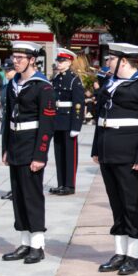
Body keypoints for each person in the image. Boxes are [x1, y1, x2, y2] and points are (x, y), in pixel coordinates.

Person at [94, 43, 138, 275]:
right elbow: (101, 117)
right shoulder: (110, 84)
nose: (107, 63)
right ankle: (119, 251)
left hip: (130, 155)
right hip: (108, 152)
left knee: (132, 205)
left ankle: (133, 255)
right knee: (117, 204)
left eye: (110, 59)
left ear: (123, 61)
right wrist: (96, 148)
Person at [0, 41, 55, 264]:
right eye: (15, 57)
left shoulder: (42, 87)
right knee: (19, 196)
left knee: (32, 196)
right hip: (15, 144)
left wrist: (40, 155)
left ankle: (38, 244)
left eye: (21, 58)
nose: (16, 61)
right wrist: (5, 148)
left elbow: (47, 123)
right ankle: (24, 242)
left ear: (33, 60)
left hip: (32, 145)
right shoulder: (14, 84)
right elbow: (7, 118)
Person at [49, 47, 85, 196]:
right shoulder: (56, 79)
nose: (59, 63)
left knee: (70, 154)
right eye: (58, 60)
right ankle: (61, 183)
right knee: (59, 153)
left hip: (69, 120)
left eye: (62, 61)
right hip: (57, 120)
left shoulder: (74, 80)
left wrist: (76, 125)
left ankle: (70, 185)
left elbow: (78, 104)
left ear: (70, 62)